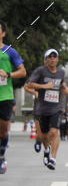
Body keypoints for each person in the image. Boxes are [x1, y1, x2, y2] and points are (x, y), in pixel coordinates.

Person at [26, 49, 68, 171]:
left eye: (54, 57)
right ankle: (46, 151)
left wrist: (65, 89)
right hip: (41, 109)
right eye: (49, 57)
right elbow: (29, 84)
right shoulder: (40, 71)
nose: (52, 59)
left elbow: (62, 85)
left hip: (55, 108)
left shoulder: (61, 72)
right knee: (43, 136)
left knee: (54, 132)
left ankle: (53, 159)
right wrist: (43, 86)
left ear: (57, 59)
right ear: (45, 60)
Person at [0, 21, 27, 174]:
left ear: (3, 33)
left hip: (5, 95)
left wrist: (8, 74)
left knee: (3, 130)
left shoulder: (9, 51)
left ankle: (2, 156)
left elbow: (23, 72)